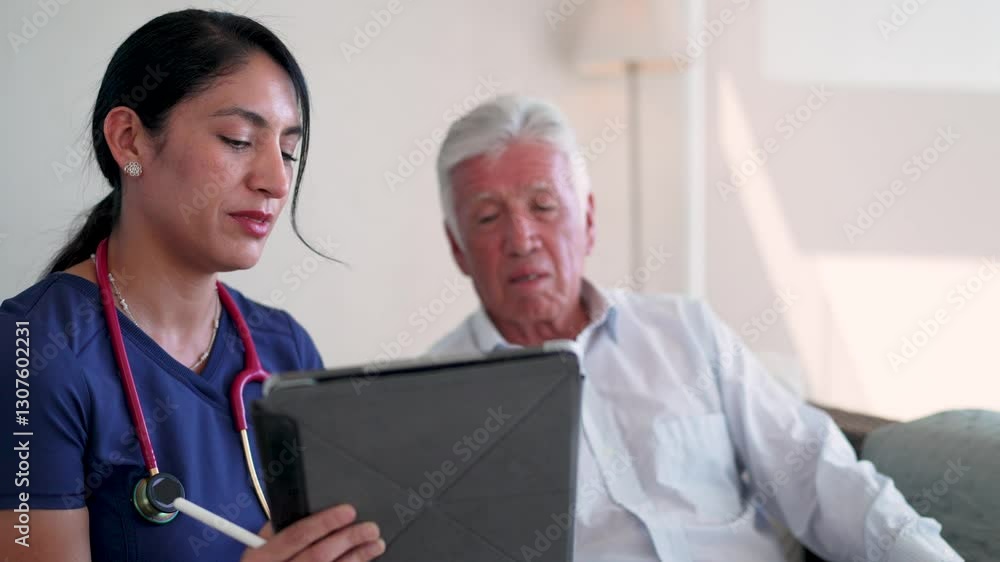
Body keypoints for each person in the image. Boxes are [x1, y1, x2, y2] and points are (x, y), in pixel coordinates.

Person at [428, 95, 963, 561]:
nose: (521, 239)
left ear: (588, 220)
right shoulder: (433, 396)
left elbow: (817, 476)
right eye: (487, 218)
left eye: (543, 206)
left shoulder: (685, 331)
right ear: (457, 249)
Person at [0, 10, 383, 562]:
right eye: (238, 139)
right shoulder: (29, 348)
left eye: (289, 150)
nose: (276, 181)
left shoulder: (286, 350)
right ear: (129, 140)